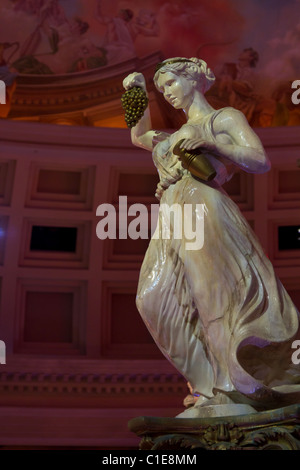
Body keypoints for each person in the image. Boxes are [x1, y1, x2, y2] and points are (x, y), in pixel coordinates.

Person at [123, 57, 300, 418]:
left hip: (205, 207)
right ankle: (206, 382)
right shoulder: (169, 138)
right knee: (151, 298)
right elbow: (138, 136)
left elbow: (259, 160)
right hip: (173, 215)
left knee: (212, 295)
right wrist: (135, 95)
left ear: (192, 80)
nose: (168, 94)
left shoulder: (224, 118)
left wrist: (213, 144)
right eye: (162, 89)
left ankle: (226, 387)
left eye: (171, 83)